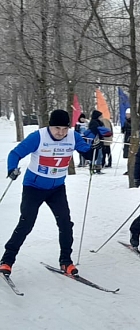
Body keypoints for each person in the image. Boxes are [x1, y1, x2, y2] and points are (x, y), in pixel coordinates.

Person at [0, 109, 95, 277]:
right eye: (57, 128)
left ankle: (66, 261)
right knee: (26, 223)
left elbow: (86, 152)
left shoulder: (73, 137)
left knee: (65, 224)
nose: (61, 133)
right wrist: (11, 168)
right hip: (34, 187)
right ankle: (7, 261)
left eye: (65, 129)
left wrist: (94, 148)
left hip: (57, 188)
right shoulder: (38, 137)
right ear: (50, 126)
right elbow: (15, 153)